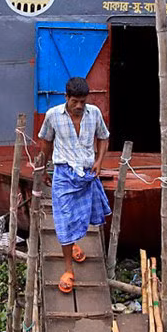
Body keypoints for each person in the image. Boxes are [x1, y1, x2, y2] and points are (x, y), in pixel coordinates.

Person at [38, 76, 111, 293]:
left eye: (82, 101)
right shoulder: (53, 116)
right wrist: (43, 169)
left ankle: (72, 245)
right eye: (74, 101)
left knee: (84, 217)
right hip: (63, 174)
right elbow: (46, 142)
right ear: (66, 97)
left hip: (87, 174)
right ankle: (68, 270)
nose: (79, 106)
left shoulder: (94, 113)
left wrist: (99, 161)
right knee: (63, 221)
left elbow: (103, 137)